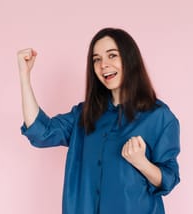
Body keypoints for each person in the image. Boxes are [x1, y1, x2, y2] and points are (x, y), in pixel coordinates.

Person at [17, 27, 180, 214]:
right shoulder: (84, 114)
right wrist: (24, 77)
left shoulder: (159, 116)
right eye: (97, 59)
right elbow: (40, 132)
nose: (103, 65)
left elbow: (169, 178)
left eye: (112, 56)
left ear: (130, 58)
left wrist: (141, 162)